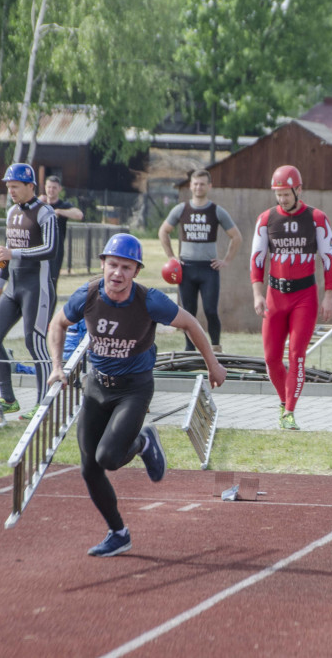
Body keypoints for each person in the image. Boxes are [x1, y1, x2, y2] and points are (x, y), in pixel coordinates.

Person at [46, 233, 227, 557]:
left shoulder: (149, 300)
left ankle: (143, 441)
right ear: (103, 264)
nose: (118, 273)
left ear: (136, 271)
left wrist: (213, 365)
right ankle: (118, 532)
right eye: (112, 265)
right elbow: (57, 324)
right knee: (89, 467)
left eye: (126, 268)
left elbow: (191, 324)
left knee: (108, 458)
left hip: (134, 388)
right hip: (97, 385)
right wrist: (56, 367)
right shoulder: (87, 295)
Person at [250, 165, 332, 430]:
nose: (282, 199)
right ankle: (283, 402)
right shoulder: (266, 219)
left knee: (297, 355)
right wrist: (257, 294)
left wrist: (329, 296)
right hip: (275, 296)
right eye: (278, 194)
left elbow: (329, 259)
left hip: (304, 298)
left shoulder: (317, 218)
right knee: (271, 358)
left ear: (299, 190)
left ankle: (289, 412)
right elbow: (257, 258)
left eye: (287, 194)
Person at [0, 163, 57, 419]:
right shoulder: (12, 212)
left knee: (34, 342)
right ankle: (8, 400)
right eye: (8, 187)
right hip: (13, 288)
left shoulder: (45, 212)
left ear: (30, 186)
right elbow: (7, 251)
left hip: (37, 288)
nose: (10, 191)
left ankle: (44, 403)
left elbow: (50, 249)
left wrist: (13, 253)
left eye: (15, 186)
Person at [159, 169, 242, 352]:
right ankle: (190, 349)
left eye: (202, 183)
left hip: (208, 270)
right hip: (186, 269)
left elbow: (236, 237)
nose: (198, 187)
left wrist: (226, 260)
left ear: (209, 186)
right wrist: (172, 257)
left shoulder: (216, 211)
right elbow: (163, 231)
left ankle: (216, 348)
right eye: (195, 183)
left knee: (211, 311)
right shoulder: (181, 209)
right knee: (188, 313)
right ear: (190, 186)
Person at [42, 175, 84, 288]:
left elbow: (79, 215)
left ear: (59, 189)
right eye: (49, 187)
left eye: (54, 187)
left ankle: (50, 305)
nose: (51, 190)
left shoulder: (63, 206)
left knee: (51, 281)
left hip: (55, 249)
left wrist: (59, 212)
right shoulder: (40, 204)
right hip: (38, 247)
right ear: (45, 187)